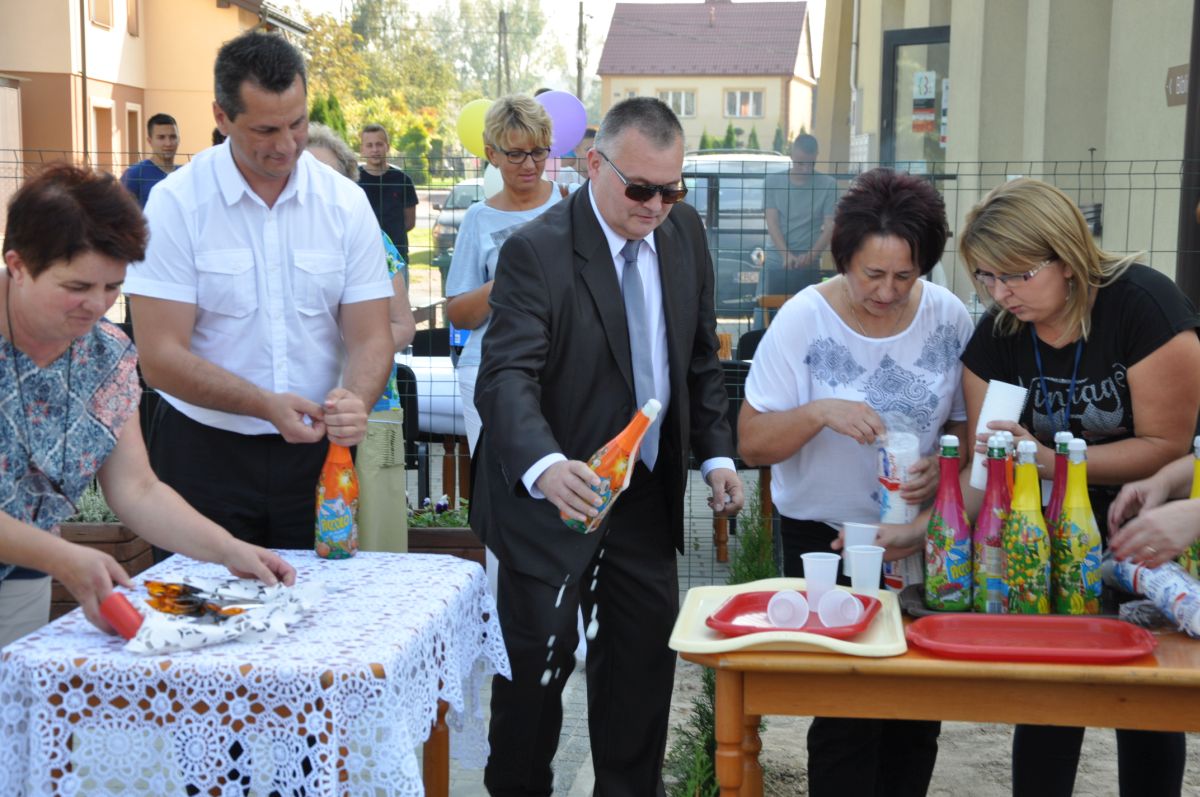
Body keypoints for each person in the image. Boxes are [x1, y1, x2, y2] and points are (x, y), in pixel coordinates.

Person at [471, 96, 744, 795]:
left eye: (672, 190)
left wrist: (716, 456)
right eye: (641, 189)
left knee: (640, 676)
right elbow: (505, 378)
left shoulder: (684, 233)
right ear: (595, 164)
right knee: (535, 680)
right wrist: (545, 466)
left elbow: (698, 358)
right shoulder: (536, 250)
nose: (657, 206)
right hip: (552, 501)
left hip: (644, 495)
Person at [953, 178, 1200, 797]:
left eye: (1017, 274)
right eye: (986, 276)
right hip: (1044, 535)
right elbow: (985, 466)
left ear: (1066, 257)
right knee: (1049, 697)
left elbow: (1167, 445)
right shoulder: (1000, 334)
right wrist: (931, 525)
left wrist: (1045, 460)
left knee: (1148, 700)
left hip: (1148, 527)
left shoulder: (1144, 307)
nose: (1001, 293)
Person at [738, 167, 971, 796]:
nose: (888, 291)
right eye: (872, 274)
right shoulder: (803, 320)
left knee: (916, 708)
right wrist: (819, 413)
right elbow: (751, 442)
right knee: (846, 712)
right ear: (843, 258)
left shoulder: (948, 317)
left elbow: (964, 426)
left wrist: (944, 468)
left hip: (916, 534)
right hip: (824, 537)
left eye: (906, 276)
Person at [0, 163, 295, 648]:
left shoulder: (107, 355)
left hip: (23, 575)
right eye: (77, 287)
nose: (97, 305)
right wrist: (63, 557)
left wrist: (229, 549)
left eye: (112, 287)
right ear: (17, 266)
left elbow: (137, 488)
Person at [126, 31, 394, 552]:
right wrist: (263, 405)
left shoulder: (345, 203)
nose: (287, 144)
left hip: (320, 454)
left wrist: (355, 400)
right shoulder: (176, 203)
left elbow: (372, 336)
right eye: (266, 130)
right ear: (221, 117)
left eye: (297, 123)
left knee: (325, 599)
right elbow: (158, 358)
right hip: (202, 454)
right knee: (202, 600)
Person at [306, 123, 415, 553]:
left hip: (373, 410)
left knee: (376, 542)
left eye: (328, 175)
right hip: (299, 414)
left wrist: (358, 353)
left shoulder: (374, 240)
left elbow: (403, 325)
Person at [444, 95, 568, 454]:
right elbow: (459, 314)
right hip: (488, 368)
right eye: (515, 154)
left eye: (538, 152)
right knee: (495, 477)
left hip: (559, 366)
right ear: (492, 154)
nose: (529, 164)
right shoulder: (478, 218)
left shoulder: (569, 203)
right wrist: (509, 280)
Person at [757, 134, 839, 326]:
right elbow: (772, 222)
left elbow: (830, 225)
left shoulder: (829, 185)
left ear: (816, 157)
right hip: (775, 261)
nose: (805, 169)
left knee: (807, 322)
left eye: (810, 164)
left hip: (809, 264)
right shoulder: (773, 182)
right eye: (801, 163)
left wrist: (811, 255)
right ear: (792, 155)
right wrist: (785, 254)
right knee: (764, 319)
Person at [359, 124, 419, 260]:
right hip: (362, 253)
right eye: (369, 145)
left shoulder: (403, 180)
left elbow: (410, 222)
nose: (375, 150)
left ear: (387, 147)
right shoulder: (353, 180)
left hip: (396, 254)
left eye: (379, 144)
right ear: (362, 149)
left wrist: (389, 239)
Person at [119, 113, 180, 208]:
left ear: (179, 139)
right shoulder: (134, 174)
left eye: (173, 137)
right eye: (161, 137)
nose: (168, 143)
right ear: (150, 141)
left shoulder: (185, 173)